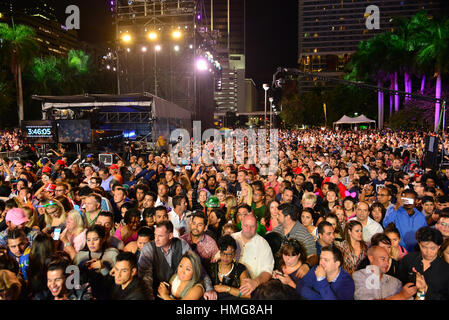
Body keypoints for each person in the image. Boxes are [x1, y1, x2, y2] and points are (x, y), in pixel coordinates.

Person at [138, 220, 216, 300]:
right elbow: (145, 278)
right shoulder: (148, 248)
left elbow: (197, 267)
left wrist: (209, 288)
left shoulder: (181, 244)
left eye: (160, 236)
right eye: (155, 235)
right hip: (156, 293)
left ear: (170, 235)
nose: (156, 239)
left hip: (178, 291)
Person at [397, 227, 449, 300]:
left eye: (433, 248)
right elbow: (398, 284)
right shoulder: (408, 259)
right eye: (424, 247)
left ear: (439, 246)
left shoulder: (446, 269)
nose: (428, 252)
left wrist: (426, 290)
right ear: (419, 244)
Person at [232, 214, 274, 297]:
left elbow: (267, 271)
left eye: (252, 226)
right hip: (230, 284)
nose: (248, 229)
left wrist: (256, 282)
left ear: (257, 226)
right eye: (246, 225)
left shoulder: (263, 244)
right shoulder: (232, 238)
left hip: (253, 288)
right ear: (241, 224)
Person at [74, 224, 119, 299]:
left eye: (95, 239)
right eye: (88, 240)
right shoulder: (80, 256)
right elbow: (73, 282)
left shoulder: (112, 254)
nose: (91, 243)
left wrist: (104, 268)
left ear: (103, 239)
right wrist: (83, 269)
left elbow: (117, 281)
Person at [208, 235, 250, 300]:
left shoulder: (239, 269)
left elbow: (247, 295)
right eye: (223, 253)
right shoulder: (211, 268)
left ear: (235, 254)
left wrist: (226, 289)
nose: (225, 257)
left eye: (229, 254)